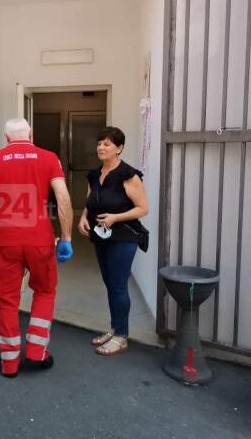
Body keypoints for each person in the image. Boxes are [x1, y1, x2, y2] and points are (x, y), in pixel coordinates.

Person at [0, 117, 74, 378]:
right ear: (31, 134)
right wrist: (67, 237)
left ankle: (9, 363)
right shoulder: (49, 158)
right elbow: (62, 198)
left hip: (6, 240)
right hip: (40, 238)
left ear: (6, 138)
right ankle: (37, 353)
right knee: (45, 291)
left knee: (7, 298)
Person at [78, 126, 149, 356]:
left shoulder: (129, 175)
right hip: (101, 236)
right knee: (110, 284)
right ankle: (115, 327)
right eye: (99, 143)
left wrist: (115, 217)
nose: (101, 147)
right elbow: (91, 203)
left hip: (124, 236)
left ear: (119, 148)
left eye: (107, 144)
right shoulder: (94, 175)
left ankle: (121, 336)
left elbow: (143, 209)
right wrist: (82, 219)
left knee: (118, 286)